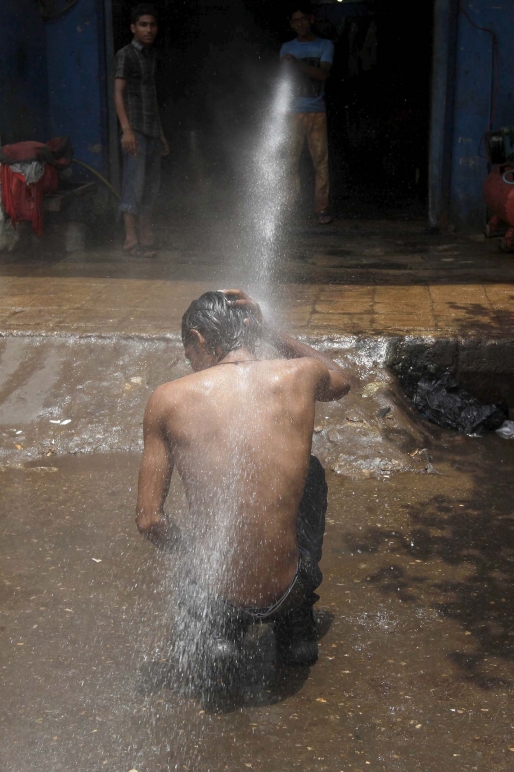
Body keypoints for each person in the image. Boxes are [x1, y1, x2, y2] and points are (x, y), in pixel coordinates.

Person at [136, 289, 350, 687]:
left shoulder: (167, 398)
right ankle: (296, 627)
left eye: (188, 354)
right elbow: (342, 382)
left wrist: (195, 551)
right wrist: (273, 333)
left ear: (199, 340)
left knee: (198, 554)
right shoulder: (299, 374)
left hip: (220, 594)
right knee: (312, 474)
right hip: (289, 587)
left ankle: (218, 638)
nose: (190, 364)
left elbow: (149, 521)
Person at [114, 3, 169, 258]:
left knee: (151, 186)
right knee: (134, 184)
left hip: (151, 131)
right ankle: (130, 241)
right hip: (134, 129)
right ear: (133, 28)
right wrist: (127, 130)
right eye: (143, 25)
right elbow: (118, 92)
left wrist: (161, 134)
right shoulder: (126, 54)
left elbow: (152, 96)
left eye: (152, 25)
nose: (149, 30)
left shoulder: (150, 56)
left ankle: (146, 238)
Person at [280, 4, 334, 225]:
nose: (299, 24)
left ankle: (322, 209)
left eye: (303, 19)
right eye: (295, 21)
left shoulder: (325, 45)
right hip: (292, 113)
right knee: (290, 161)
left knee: (320, 162)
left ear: (311, 19)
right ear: (291, 24)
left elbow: (322, 74)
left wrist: (297, 63)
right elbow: (284, 79)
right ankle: (289, 208)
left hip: (316, 112)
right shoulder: (286, 47)